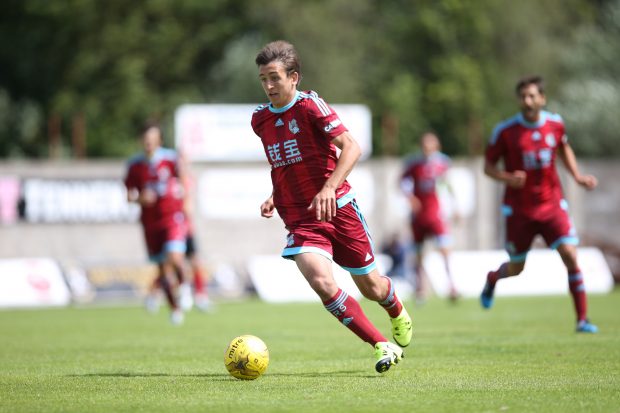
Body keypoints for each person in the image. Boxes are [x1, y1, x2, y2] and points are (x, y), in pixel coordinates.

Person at [251, 40, 412, 373]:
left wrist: (328, 187)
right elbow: (283, 165)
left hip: (339, 209)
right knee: (322, 283)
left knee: (372, 288)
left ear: (293, 77)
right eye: (263, 79)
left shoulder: (311, 107)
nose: (268, 86)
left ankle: (395, 307)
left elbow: (351, 147)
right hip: (300, 218)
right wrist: (274, 193)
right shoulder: (260, 120)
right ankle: (381, 345)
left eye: (274, 78)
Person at [481, 75, 599, 333]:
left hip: (552, 205)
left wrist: (577, 177)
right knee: (516, 268)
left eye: (533, 95)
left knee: (570, 255)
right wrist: (507, 178)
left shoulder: (555, 125)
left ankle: (582, 320)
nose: (527, 100)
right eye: (523, 96)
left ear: (542, 98)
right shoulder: (506, 132)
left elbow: (563, 148)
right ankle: (492, 279)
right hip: (519, 210)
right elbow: (487, 167)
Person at [124, 122, 193, 325]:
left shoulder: (170, 159)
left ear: (159, 141)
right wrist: (140, 199)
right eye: (146, 140)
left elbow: (184, 180)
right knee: (162, 269)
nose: (148, 143)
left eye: (152, 139)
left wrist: (186, 203)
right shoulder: (135, 165)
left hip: (173, 218)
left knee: (175, 257)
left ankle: (185, 288)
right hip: (150, 223)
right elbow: (129, 196)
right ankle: (175, 308)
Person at [400, 132, 460, 304]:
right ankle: (421, 289)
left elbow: (448, 184)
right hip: (418, 216)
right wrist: (410, 198)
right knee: (418, 253)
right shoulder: (414, 164)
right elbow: (403, 183)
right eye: (425, 144)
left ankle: (451, 285)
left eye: (430, 144)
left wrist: (455, 207)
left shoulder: (442, 163)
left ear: (436, 146)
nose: (427, 148)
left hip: (436, 215)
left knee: (445, 250)